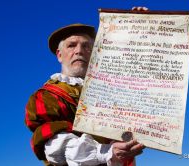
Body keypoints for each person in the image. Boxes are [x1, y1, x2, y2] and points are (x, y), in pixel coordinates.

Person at [25, 7, 148, 166]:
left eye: (86, 46)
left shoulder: (111, 91)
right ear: (59, 55)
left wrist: (141, 27)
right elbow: (54, 146)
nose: (79, 51)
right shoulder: (47, 96)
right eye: (71, 45)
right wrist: (105, 153)